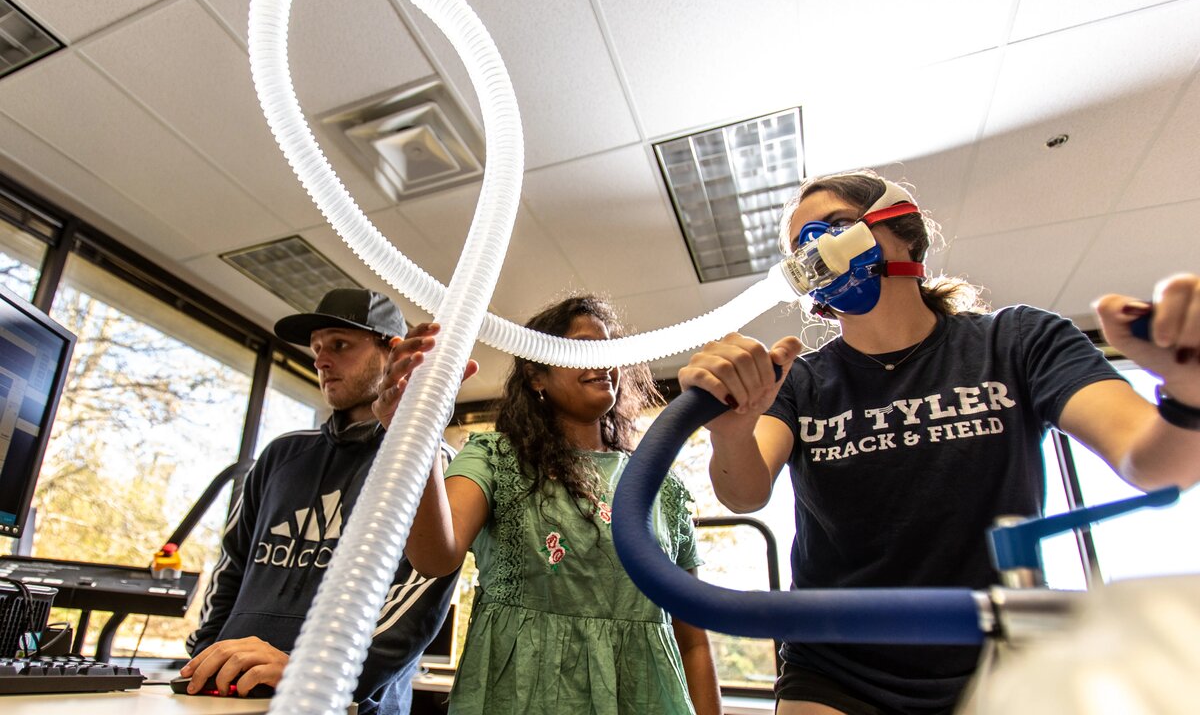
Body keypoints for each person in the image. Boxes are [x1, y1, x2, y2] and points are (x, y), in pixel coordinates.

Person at [677, 169, 1200, 715]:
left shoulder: (1016, 342)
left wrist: (1189, 394)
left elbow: (1157, 465)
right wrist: (730, 431)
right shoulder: (802, 381)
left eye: (834, 227)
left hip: (997, 653)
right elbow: (744, 492)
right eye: (800, 247)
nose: (818, 253)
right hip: (836, 660)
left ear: (904, 233)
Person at [376, 295, 722, 715]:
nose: (604, 362)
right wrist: (417, 432)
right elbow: (434, 555)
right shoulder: (494, 458)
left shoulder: (660, 485)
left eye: (609, 349)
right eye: (584, 348)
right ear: (536, 375)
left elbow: (693, 639)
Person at [183, 288, 473, 714]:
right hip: (232, 691)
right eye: (317, 348)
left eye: (339, 345)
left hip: (348, 701)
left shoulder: (429, 461)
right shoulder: (281, 455)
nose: (321, 359)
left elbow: (422, 595)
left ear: (392, 352)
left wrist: (310, 670)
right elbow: (232, 565)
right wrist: (205, 654)